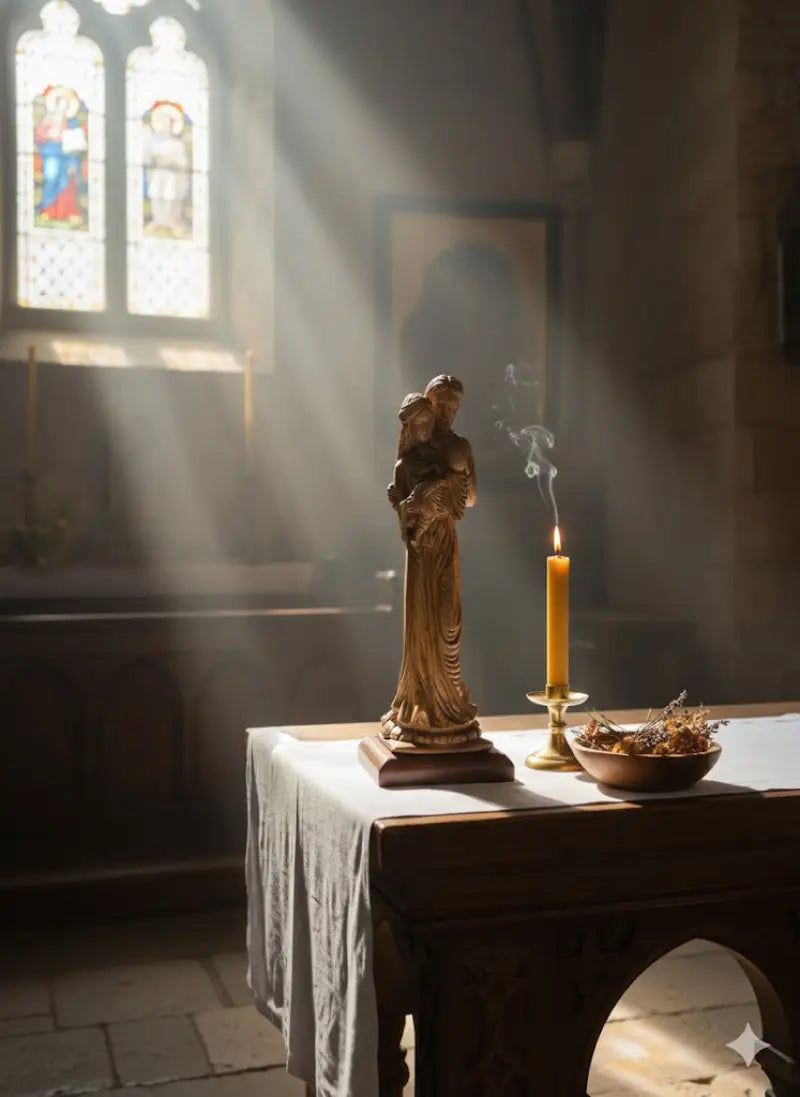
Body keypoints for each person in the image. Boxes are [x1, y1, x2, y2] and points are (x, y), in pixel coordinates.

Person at [383, 376, 478, 743]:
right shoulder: (412, 453)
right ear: (429, 404)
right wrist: (410, 503)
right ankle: (420, 703)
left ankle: (449, 701)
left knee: (448, 620)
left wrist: (446, 486)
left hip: (444, 541)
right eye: (443, 406)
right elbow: (402, 498)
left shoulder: (460, 447)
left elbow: (470, 500)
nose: (448, 414)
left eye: (455, 407)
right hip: (420, 549)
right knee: (425, 620)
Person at [35, 86, 87, 226]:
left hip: (68, 158)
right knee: (52, 180)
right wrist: (48, 134)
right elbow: (40, 135)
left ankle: (67, 213)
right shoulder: (48, 120)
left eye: (66, 103)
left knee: (67, 184)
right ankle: (48, 210)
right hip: (52, 155)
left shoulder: (71, 122)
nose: (63, 107)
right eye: (60, 103)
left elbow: (78, 142)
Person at [143, 101, 190, 237]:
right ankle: (158, 221)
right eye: (161, 121)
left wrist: (173, 161)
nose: (165, 125)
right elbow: (146, 157)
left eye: (168, 122)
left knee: (171, 197)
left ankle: (171, 222)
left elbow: (183, 162)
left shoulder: (177, 144)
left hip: (172, 177)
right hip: (157, 175)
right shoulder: (152, 141)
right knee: (157, 196)